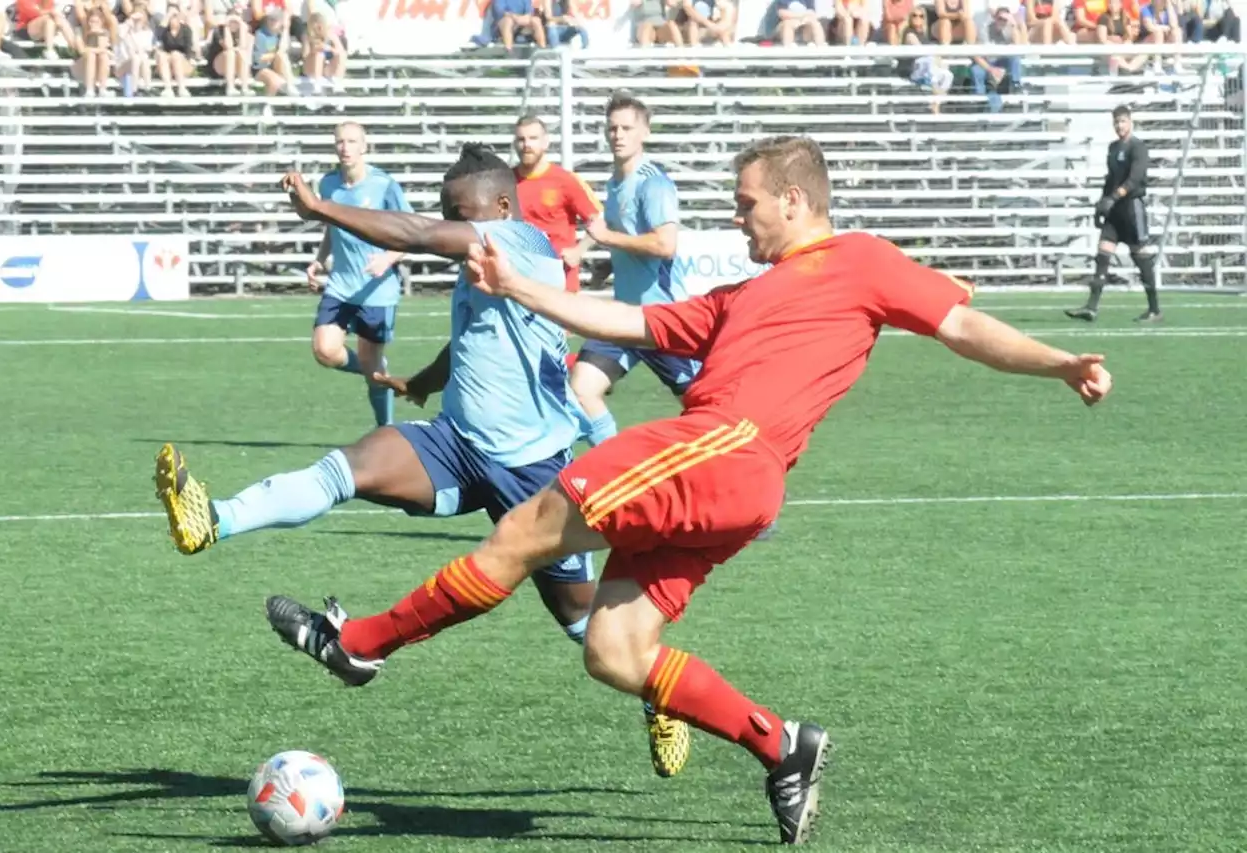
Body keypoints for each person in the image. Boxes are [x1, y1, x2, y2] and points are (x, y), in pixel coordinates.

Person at [262, 135, 1113, 844]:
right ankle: (783, 745)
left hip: (718, 447)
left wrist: (1059, 362)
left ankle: (360, 644)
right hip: (733, 479)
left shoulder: (859, 260)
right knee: (614, 650)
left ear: (794, 199)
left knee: (522, 531)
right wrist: (519, 286)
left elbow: (958, 321)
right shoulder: (744, 293)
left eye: (747, 202)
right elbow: (630, 323)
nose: (738, 216)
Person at [154, 143, 687, 777]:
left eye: (460, 213)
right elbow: (473, 337)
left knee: (581, 618)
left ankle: (664, 698)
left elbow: (416, 233)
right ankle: (211, 518)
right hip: (456, 443)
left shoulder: (525, 246)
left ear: (501, 206)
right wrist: (424, 382)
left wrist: (322, 208)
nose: (451, 223)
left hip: (536, 471)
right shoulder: (486, 260)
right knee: (349, 464)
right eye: (446, 211)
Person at [575, 93, 698, 449]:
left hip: (662, 320)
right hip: (625, 318)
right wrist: (603, 266)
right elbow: (628, 241)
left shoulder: (653, 183)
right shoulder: (615, 184)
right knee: (581, 389)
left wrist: (606, 237)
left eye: (627, 128)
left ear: (644, 132)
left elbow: (665, 245)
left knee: (705, 407)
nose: (618, 135)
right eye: (612, 128)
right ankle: (614, 473)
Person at [308, 122, 414, 426]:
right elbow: (332, 225)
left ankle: (386, 429)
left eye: (352, 141)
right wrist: (319, 259)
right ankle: (374, 370)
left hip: (376, 290)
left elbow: (411, 232)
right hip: (341, 286)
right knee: (324, 350)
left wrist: (388, 258)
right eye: (340, 141)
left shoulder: (384, 185)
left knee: (372, 368)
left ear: (364, 147)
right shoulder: (328, 184)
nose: (345, 147)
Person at [1065, 105, 1161, 323]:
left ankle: (1154, 309)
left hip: (1131, 209)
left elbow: (1135, 179)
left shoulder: (1138, 147)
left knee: (1141, 257)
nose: (1119, 126)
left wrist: (1114, 197)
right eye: (1116, 122)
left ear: (1130, 122)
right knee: (1103, 255)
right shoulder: (1113, 147)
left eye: (1123, 121)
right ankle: (1091, 308)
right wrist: (1102, 203)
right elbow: (1111, 178)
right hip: (1115, 210)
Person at [512, 112, 603, 293]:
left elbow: (599, 219)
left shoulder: (566, 180)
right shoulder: (505, 181)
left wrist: (579, 250)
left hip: (560, 284)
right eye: (521, 139)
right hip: (520, 281)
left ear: (546, 142)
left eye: (533, 138)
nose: (527, 145)